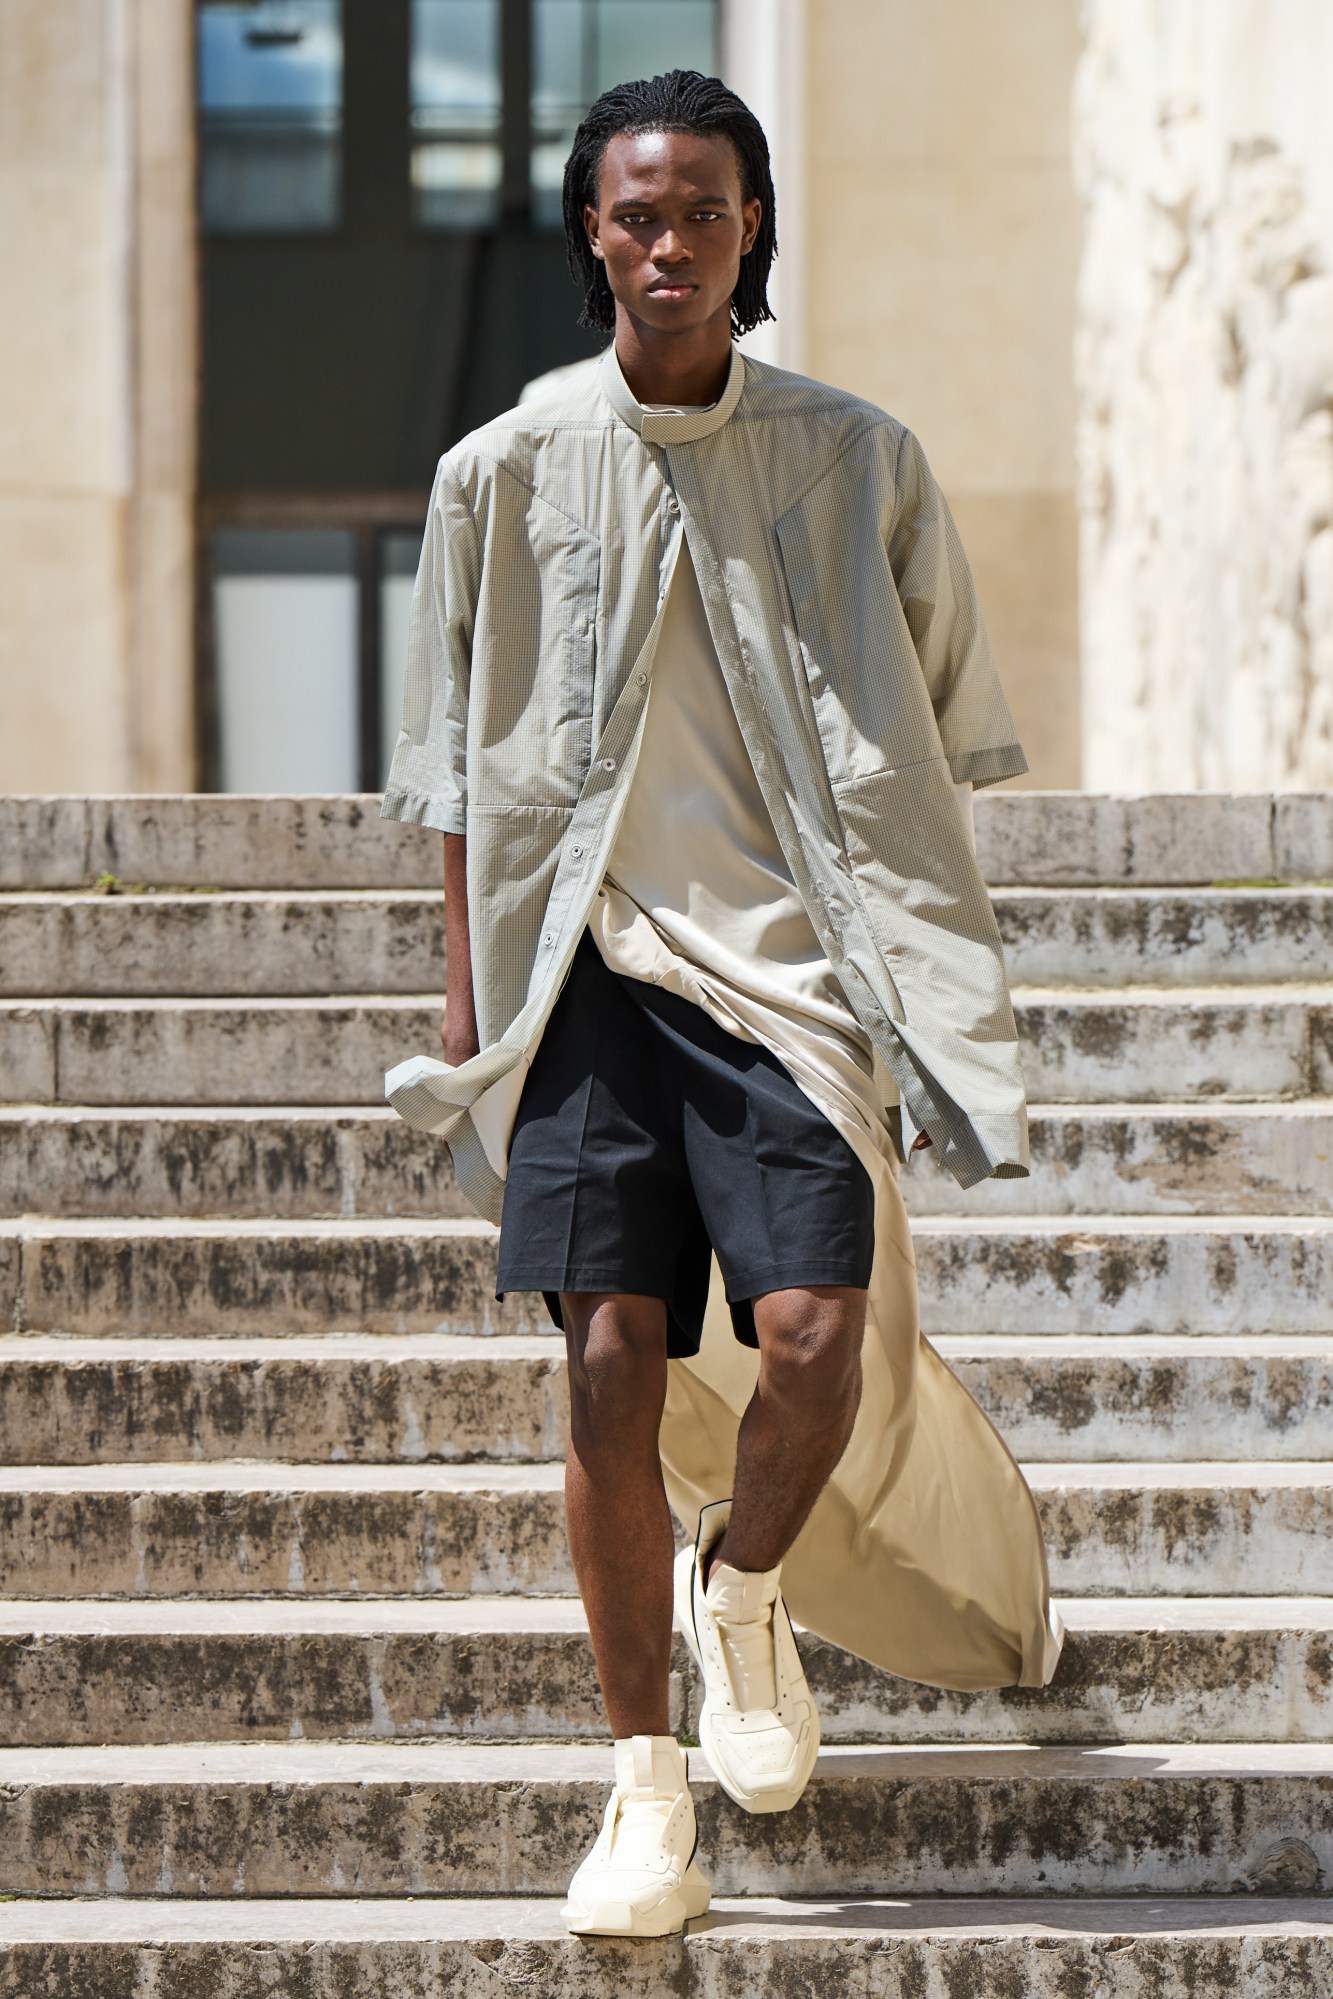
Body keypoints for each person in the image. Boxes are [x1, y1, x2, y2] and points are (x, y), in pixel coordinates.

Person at [379, 68, 1063, 1940]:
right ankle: (644, 1787)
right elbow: (451, 773)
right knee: (603, 1360)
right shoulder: (501, 472)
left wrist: (920, 1003)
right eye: (633, 212)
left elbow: (930, 755)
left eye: (700, 209)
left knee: (816, 1335)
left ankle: (741, 1587)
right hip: (585, 975)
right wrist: (473, 1021)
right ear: (591, 231)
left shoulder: (859, 460)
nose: (666, 241)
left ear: (750, 223)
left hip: (794, 987)